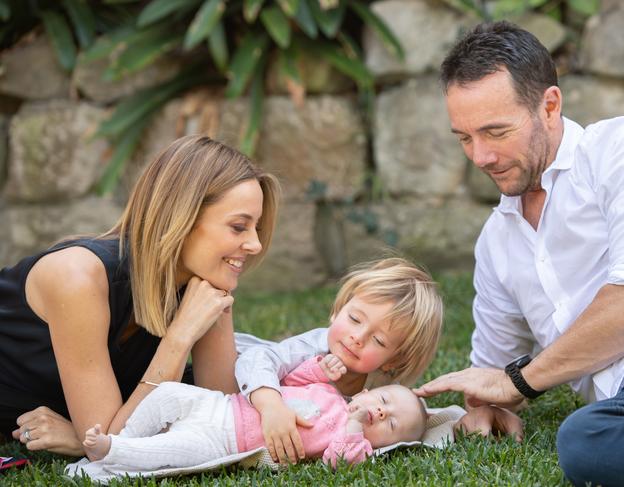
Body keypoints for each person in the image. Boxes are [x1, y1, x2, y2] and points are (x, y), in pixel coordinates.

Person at [411, 21, 624, 486]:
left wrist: (519, 381)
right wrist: (487, 403)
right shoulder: (496, 243)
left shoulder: (623, 149)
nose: (480, 156)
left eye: (496, 132)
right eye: (464, 138)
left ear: (549, 106)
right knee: (586, 442)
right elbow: (492, 373)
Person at [0, 135, 280, 456]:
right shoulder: (77, 277)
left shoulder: (204, 280)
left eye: (256, 227)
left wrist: (81, 439)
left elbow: (225, 419)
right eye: (238, 227)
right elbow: (111, 447)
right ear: (182, 218)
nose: (255, 244)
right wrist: (178, 337)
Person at [234, 257, 443, 465]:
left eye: (378, 340)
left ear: (394, 360)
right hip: (234, 366)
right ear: (338, 310)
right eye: (354, 319)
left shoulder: (381, 391)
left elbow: (409, 416)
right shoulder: (313, 348)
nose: (358, 338)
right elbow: (258, 358)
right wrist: (271, 406)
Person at [80, 354, 428, 471]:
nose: (380, 413)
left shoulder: (351, 442)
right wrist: (322, 368)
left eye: (391, 422)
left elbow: (339, 460)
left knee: (178, 451)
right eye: (383, 401)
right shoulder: (329, 392)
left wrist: (354, 423)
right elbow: (292, 379)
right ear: (366, 392)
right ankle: (125, 436)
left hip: (225, 441)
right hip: (223, 404)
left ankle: (115, 452)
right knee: (169, 393)